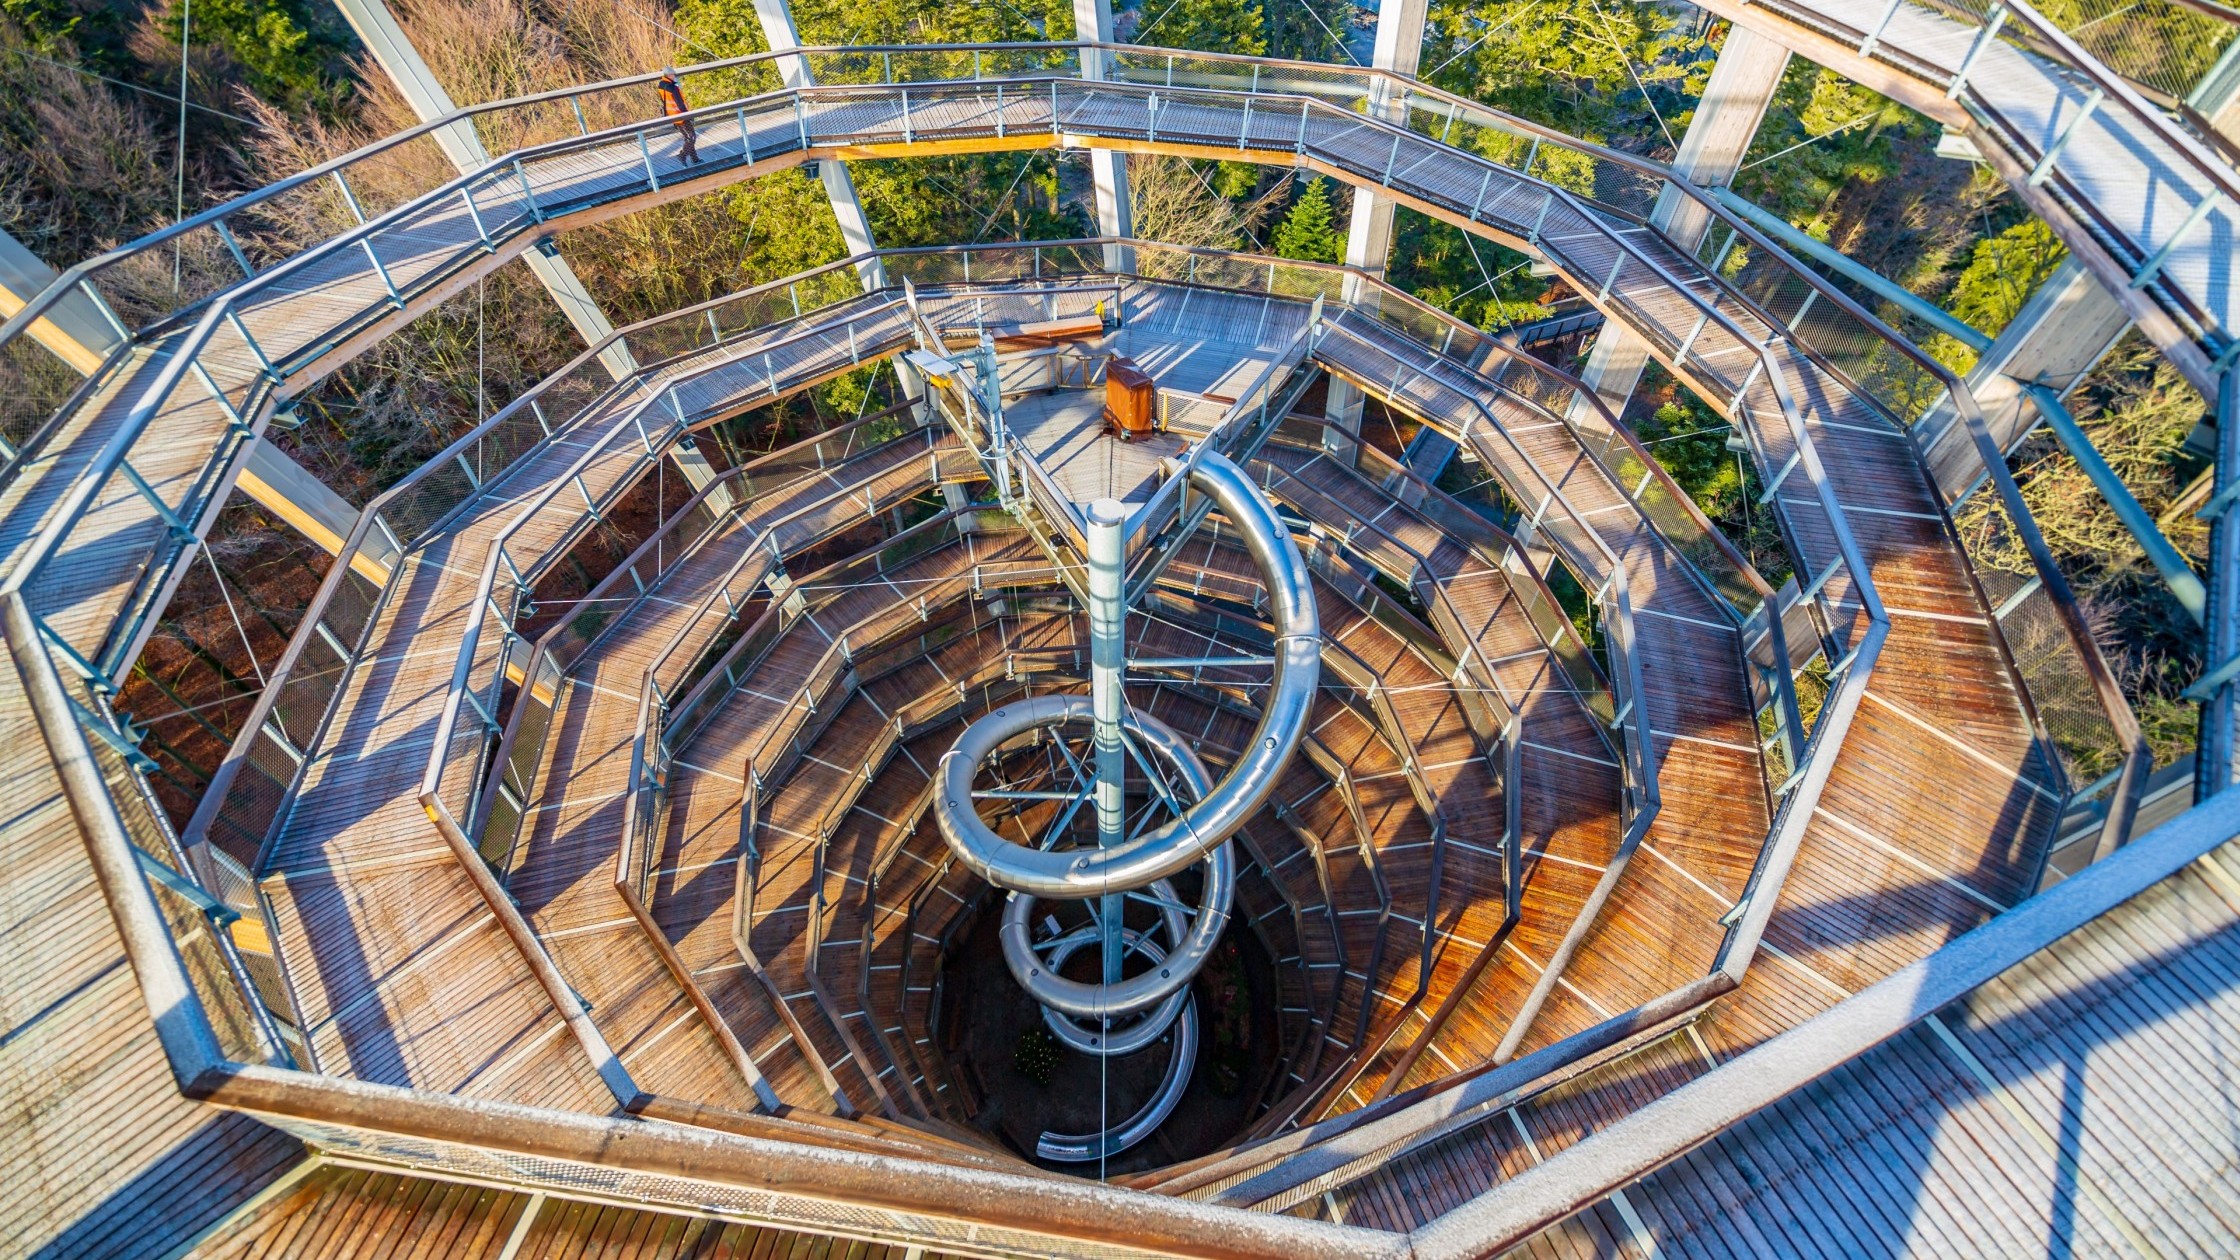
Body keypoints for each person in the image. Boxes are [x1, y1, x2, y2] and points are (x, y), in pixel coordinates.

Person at [656, 68, 699, 166]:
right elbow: (680, 104)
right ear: (669, 75)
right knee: (691, 137)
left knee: (688, 137)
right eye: (673, 74)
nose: (675, 76)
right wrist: (688, 115)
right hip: (680, 115)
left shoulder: (661, 85)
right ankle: (682, 155)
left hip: (672, 115)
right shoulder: (673, 88)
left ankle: (695, 159)